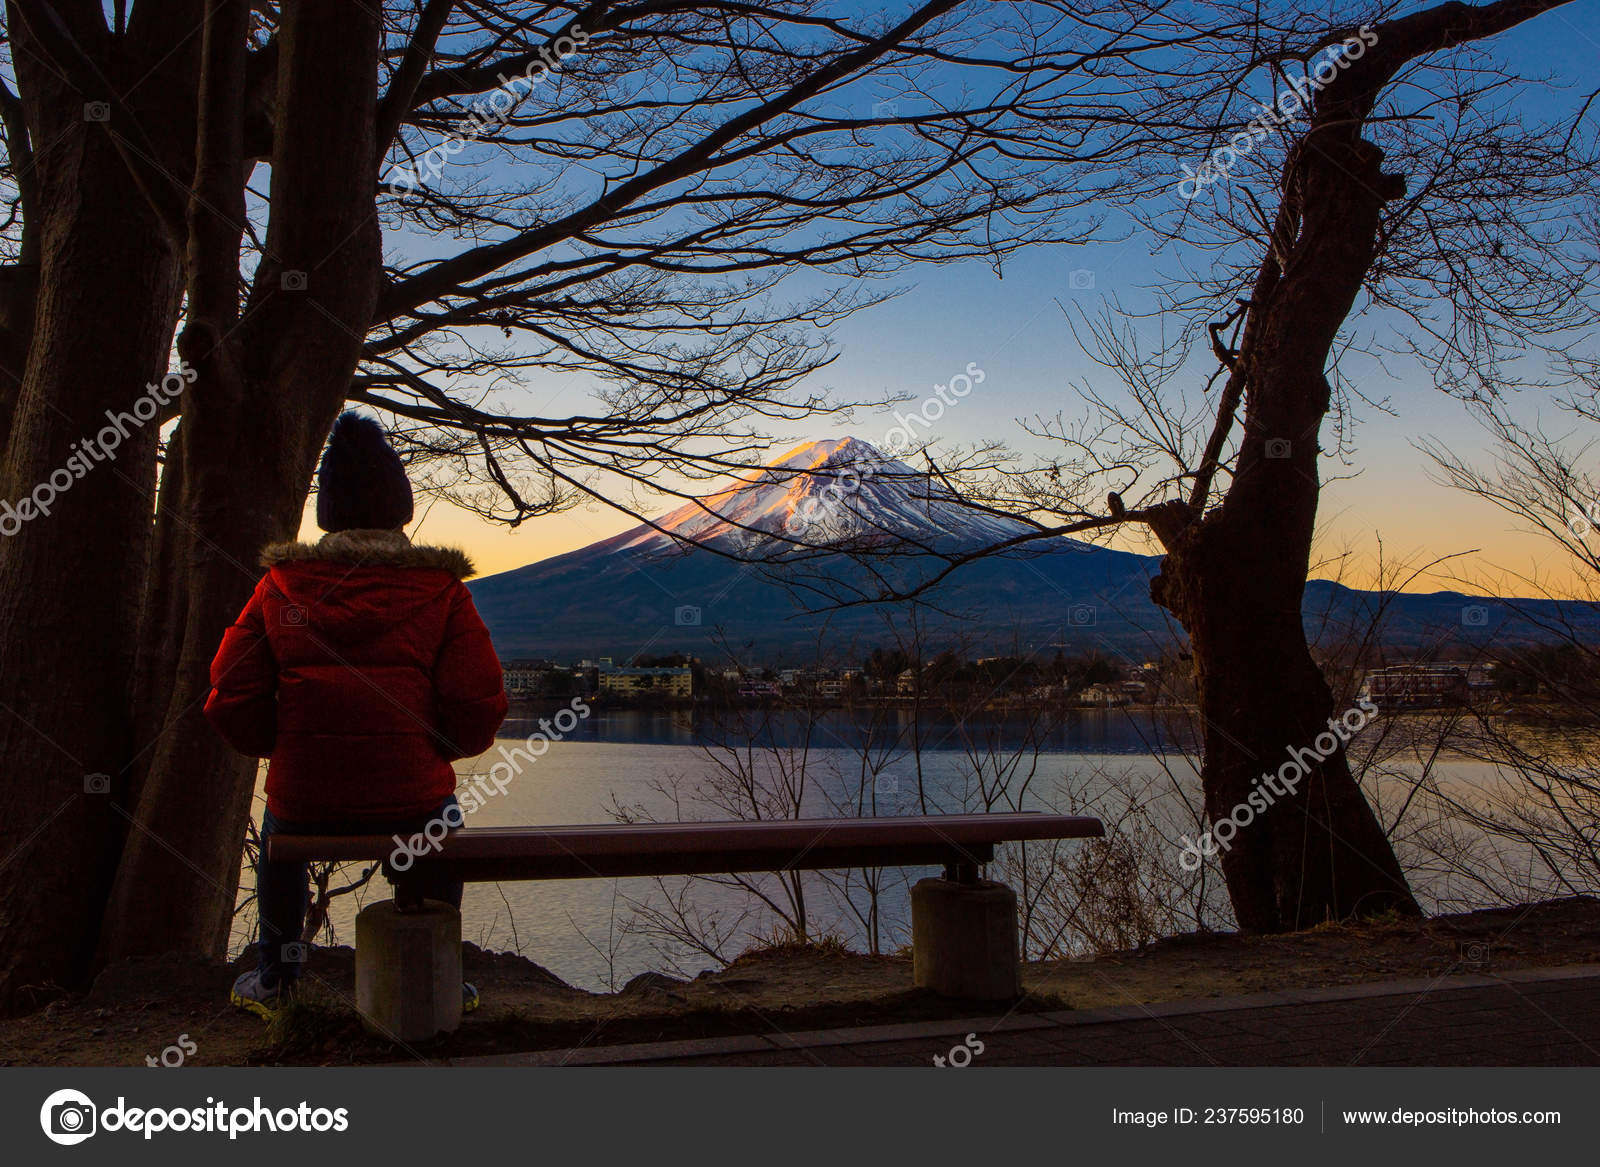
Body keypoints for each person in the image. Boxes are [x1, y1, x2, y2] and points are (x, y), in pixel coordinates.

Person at [205, 412, 508, 1018]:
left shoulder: (279, 587)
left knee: (278, 839)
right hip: (412, 797)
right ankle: (433, 974)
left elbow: (229, 696)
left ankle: (278, 977)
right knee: (440, 827)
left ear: (329, 514)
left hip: (306, 797)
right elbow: (478, 708)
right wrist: (429, 747)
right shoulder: (442, 590)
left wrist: (287, 743)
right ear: (400, 508)